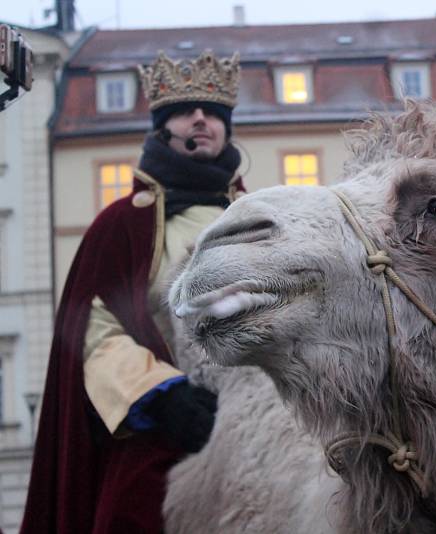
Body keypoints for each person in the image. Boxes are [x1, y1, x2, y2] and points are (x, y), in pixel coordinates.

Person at [21, 50, 245, 533]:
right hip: (160, 438)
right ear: (164, 128)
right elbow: (95, 332)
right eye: (185, 111)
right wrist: (164, 397)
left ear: (228, 128)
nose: (201, 119)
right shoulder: (121, 223)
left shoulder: (262, 216)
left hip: (256, 431)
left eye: (213, 112)